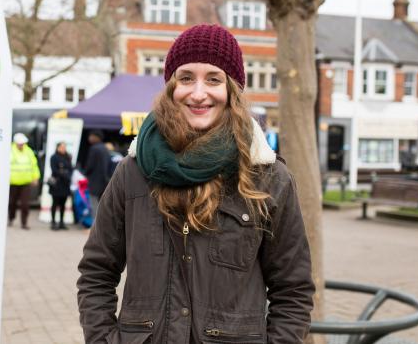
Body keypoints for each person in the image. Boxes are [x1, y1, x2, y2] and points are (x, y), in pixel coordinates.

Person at [77, 24, 314, 343]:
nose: (198, 93)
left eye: (213, 79)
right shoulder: (134, 171)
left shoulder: (269, 177)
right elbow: (96, 271)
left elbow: (293, 289)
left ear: (231, 89)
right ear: (172, 86)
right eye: (186, 77)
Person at [8, 133, 40, 230]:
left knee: (25, 204)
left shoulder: (29, 151)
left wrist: (36, 177)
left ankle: (24, 223)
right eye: (20, 143)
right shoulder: (9, 151)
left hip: (26, 182)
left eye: (23, 143)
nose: (22, 145)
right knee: (12, 203)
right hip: (13, 182)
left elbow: (34, 165)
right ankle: (11, 218)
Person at [83, 130, 111, 218]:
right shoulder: (105, 148)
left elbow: (90, 166)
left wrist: (85, 173)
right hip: (105, 181)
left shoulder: (94, 148)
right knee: (102, 206)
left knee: (94, 205)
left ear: (96, 137)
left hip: (94, 182)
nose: (89, 138)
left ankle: (94, 228)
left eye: (91, 136)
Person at [49, 142, 74, 230]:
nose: (63, 148)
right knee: (55, 203)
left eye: (64, 147)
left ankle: (61, 222)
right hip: (57, 184)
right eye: (62, 147)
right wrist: (65, 174)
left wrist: (67, 174)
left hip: (65, 184)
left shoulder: (68, 156)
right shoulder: (54, 157)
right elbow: (54, 170)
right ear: (58, 147)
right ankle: (53, 222)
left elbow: (71, 168)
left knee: (63, 204)